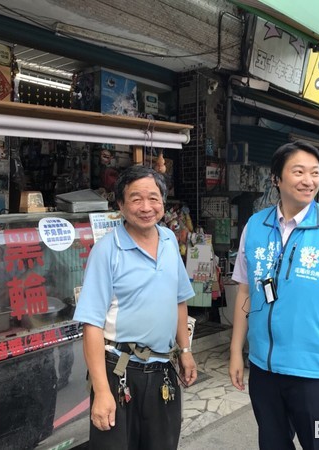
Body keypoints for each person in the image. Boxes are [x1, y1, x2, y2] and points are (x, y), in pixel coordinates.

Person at [228, 141, 319, 450]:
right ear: (276, 179)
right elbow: (245, 290)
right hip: (264, 370)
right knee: (272, 444)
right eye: (298, 172)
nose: (309, 180)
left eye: (315, 173)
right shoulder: (255, 226)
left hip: (316, 374)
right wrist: (235, 352)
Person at [73, 165, 198, 450]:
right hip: (118, 372)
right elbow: (91, 325)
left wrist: (186, 351)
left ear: (163, 202)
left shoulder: (168, 240)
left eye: (153, 198)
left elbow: (179, 300)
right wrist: (102, 390)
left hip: (164, 369)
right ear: (120, 204)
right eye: (136, 198)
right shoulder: (107, 250)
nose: (146, 207)